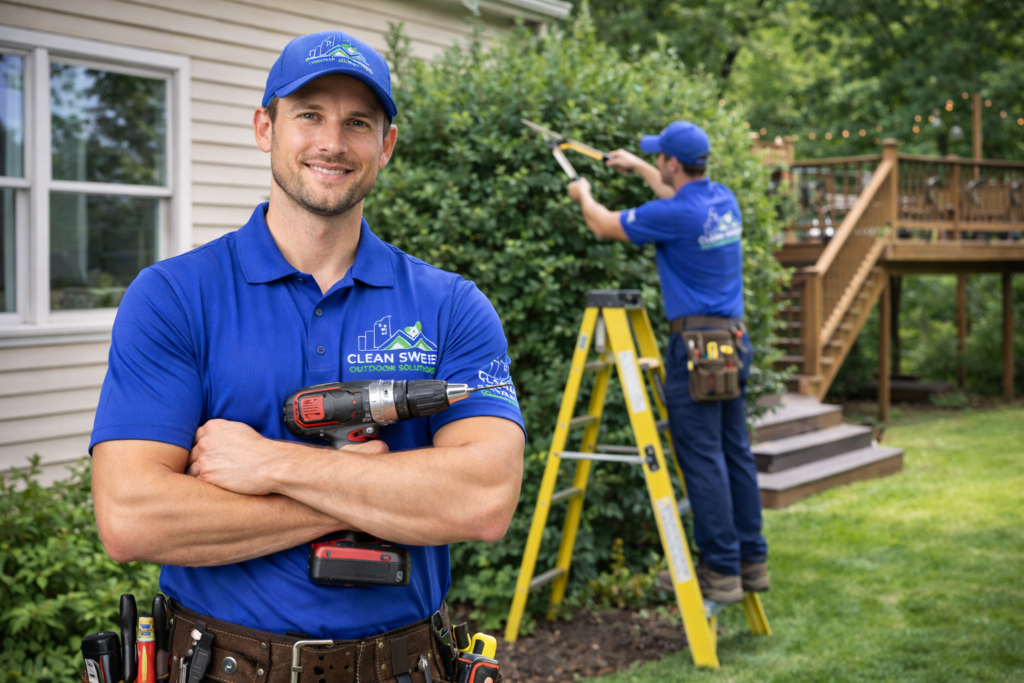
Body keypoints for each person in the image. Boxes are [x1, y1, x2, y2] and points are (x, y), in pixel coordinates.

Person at [90, 31, 525, 677]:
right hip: (216, 665)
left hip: (403, 666)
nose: (332, 142)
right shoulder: (174, 297)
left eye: (358, 122)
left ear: (387, 145)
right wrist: (375, 490)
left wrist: (272, 463)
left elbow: (483, 499)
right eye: (309, 115)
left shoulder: (452, 305)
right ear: (265, 127)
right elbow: (131, 515)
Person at [566, 121, 767, 604]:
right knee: (734, 452)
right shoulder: (722, 200)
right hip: (733, 343)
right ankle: (750, 561)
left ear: (673, 163)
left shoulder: (674, 214)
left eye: (658, 157)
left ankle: (719, 570)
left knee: (703, 462)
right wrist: (636, 166)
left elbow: (603, 224)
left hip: (695, 351)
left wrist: (583, 194)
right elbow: (675, 197)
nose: (657, 162)